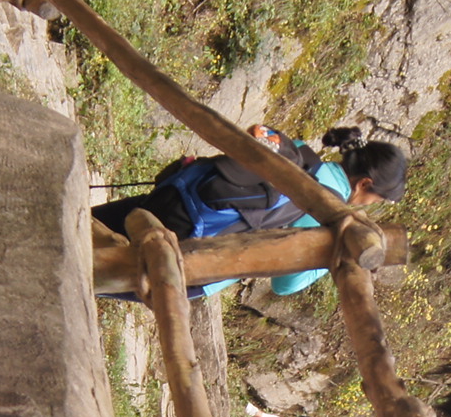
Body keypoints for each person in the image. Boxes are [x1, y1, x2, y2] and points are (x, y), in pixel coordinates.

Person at [93, 124, 408, 298]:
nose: (373, 205)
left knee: (78, 226)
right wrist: (331, 257)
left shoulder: (301, 154)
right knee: (87, 276)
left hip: (172, 197)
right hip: (195, 256)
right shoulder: (329, 214)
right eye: (379, 198)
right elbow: (285, 285)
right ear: (365, 184)